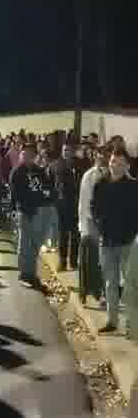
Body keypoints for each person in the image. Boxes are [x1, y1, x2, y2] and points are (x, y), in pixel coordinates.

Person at [91, 147, 138, 334]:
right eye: (112, 162)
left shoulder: (134, 186)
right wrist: (99, 226)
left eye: (119, 163)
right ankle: (112, 321)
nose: (114, 166)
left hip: (127, 243)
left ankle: (131, 324)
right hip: (107, 242)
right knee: (110, 284)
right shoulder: (100, 184)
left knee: (130, 285)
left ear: (127, 165)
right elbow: (93, 208)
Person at [10, 143, 48, 288]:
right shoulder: (17, 172)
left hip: (38, 211)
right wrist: (14, 211)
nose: (26, 157)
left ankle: (32, 273)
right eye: (23, 154)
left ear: (34, 156)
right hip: (24, 211)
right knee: (24, 243)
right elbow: (14, 194)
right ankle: (24, 274)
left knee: (34, 244)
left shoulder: (39, 171)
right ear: (20, 155)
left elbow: (45, 189)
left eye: (30, 155)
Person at [77, 151, 108, 305]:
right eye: (100, 157)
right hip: (91, 222)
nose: (103, 159)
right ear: (95, 158)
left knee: (103, 260)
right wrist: (82, 226)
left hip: (107, 223)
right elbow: (83, 201)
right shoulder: (88, 176)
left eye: (105, 157)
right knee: (89, 259)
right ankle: (84, 292)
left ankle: (100, 292)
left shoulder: (111, 174)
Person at [50, 142, 82, 271]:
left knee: (75, 235)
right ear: (62, 151)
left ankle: (73, 262)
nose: (67, 152)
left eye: (69, 150)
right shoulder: (55, 165)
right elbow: (51, 184)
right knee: (63, 234)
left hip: (76, 204)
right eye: (65, 150)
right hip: (61, 205)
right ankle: (62, 261)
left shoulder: (79, 164)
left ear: (73, 152)